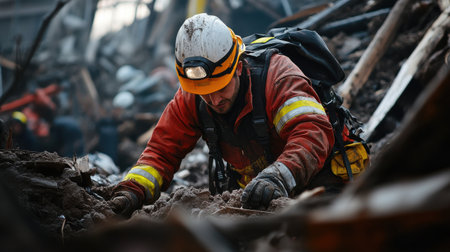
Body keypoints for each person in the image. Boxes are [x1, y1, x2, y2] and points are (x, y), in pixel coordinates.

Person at [109, 13, 341, 216]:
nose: (214, 100)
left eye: (221, 87)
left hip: (323, 185)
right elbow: (161, 151)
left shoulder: (278, 77)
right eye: (204, 93)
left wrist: (279, 176)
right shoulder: (192, 95)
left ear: (238, 67)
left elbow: (312, 133)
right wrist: (132, 190)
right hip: (260, 196)